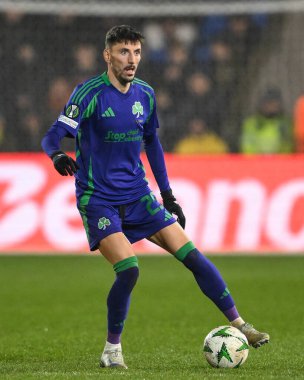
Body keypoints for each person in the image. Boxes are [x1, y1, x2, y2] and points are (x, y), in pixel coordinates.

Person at [41, 25, 269, 369]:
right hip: (98, 198)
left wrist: (168, 195)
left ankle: (240, 324)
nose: (131, 59)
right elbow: (54, 135)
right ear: (108, 55)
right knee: (129, 269)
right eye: (123, 52)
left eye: (136, 52)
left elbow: (153, 144)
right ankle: (112, 350)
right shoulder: (88, 93)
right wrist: (57, 154)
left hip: (138, 197)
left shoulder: (145, 94)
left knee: (192, 255)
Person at [240, 87, 294, 154]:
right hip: (256, 162)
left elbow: (287, 145)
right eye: (268, 103)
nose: (271, 106)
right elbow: (247, 145)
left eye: (274, 103)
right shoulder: (252, 123)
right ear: (262, 104)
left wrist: (279, 159)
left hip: (279, 162)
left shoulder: (284, 123)